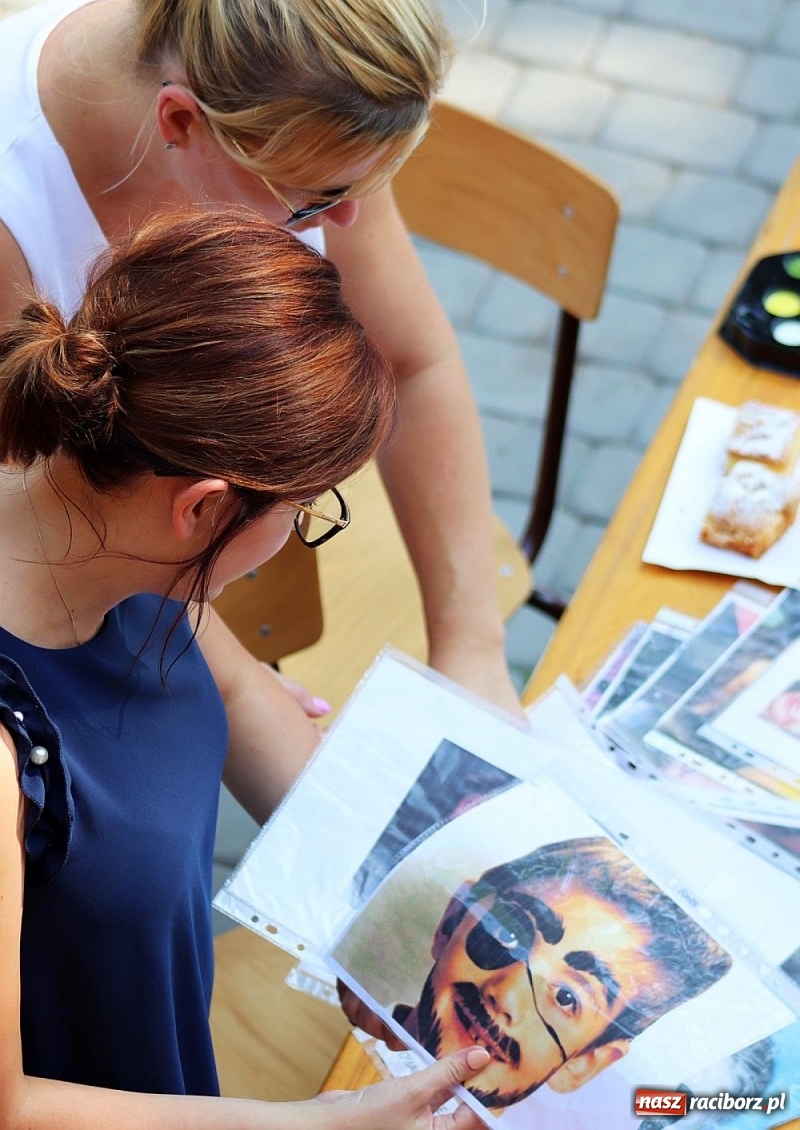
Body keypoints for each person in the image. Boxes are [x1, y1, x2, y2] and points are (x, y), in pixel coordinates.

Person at [0, 208, 492, 1128]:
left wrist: (396, 921)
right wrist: (318, 1123)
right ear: (202, 508)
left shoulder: (107, 527)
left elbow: (230, 692)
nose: (297, 533)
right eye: (305, 512)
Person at [0, 0, 522, 720]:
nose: (345, 220)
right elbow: (59, 526)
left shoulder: (295, 103)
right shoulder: (15, 212)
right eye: (315, 199)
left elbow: (415, 364)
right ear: (181, 121)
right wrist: (233, 685)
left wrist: (472, 649)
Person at [348, 836, 732, 1110]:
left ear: (586, 1062)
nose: (507, 995)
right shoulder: (344, 1038)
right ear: (453, 919)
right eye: (509, 933)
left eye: (567, 997)